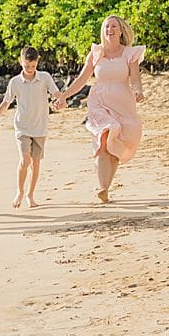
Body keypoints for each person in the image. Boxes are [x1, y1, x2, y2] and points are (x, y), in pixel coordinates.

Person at [57, 16, 145, 204]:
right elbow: (82, 79)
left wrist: (138, 91)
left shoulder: (130, 54)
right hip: (99, 102)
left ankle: (105, 188)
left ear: (121, 31)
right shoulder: (96, 53)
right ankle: (102, 188)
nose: (109, 30)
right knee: (104, 137)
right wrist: (64, 96)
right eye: (106, 26)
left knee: (114, 146)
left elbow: (135, 78)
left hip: (123, 103)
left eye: (113, 26)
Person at [0, 46, 62, 209]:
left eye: (32, 66)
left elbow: (56, 93)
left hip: (40, 127)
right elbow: (6, 102)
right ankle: (20, 191)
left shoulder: (44, 77)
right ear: (20, 62)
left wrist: (61, 100)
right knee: (25, 160)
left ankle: (31, 195)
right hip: (22, 127)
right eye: (26, 66)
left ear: (37, 62)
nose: (30, 69)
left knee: (36, 163)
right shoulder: (15, 82)